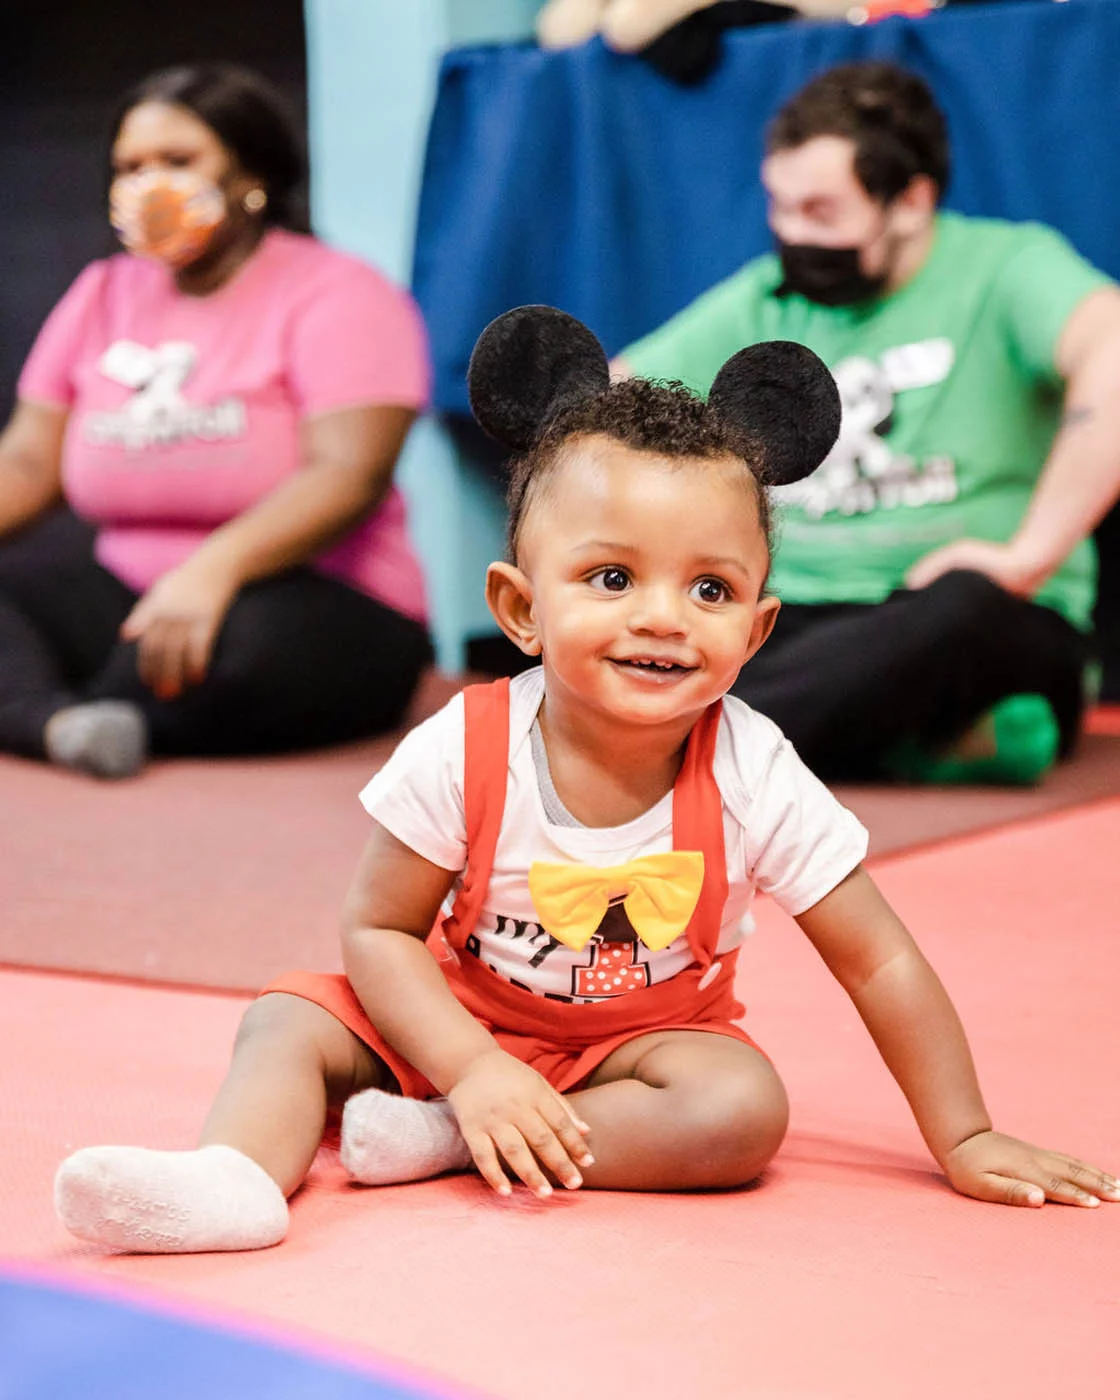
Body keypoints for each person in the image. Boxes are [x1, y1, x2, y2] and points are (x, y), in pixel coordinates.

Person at [54, 307, 1117, 1254]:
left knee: (739, 1109)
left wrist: (963, 1130)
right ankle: (235, 1176)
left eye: (709, 586)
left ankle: (449, 1142)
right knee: (285, 1024)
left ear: (756, 628)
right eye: (611, 577)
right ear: (519, 608)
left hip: (633, 1051)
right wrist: (469, 1066)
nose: (662, 616)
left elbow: (878, 958)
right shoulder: (464, 743)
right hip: (450, 1019)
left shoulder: (753, 766)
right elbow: (378, 932)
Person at [615, 61, 1120, 783]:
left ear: (911, 201)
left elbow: (1114, 346)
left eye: (820, 211)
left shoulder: (1008, 265)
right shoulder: (768, 296)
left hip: (968, 607)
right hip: (796, 618)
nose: (790, 231)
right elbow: (620, 400)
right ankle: (920, 745)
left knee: (962, 613)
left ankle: (661, 750)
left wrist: (1029, 555)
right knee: (687, 622)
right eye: (778, 206)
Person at [0, 64, 432, 779]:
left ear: (250, 173)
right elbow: (26, 462)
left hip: (316, 596)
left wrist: (212, 571)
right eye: (129, 166)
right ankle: (63, 723)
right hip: (128, 589)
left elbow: (348, 474)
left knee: (236, 656)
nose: (148, 184)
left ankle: (60, 707)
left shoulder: (341, 291)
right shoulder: (101, 293)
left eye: (177, 160)